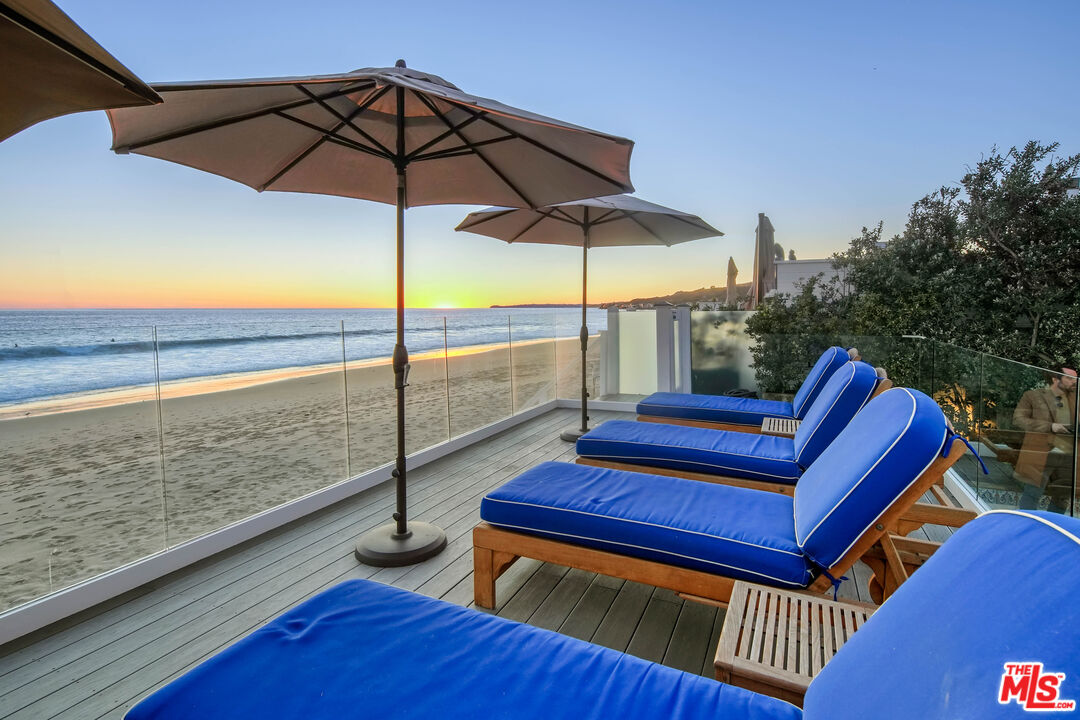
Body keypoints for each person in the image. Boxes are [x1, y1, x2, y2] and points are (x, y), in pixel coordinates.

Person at [1012, 367, 1077, 513]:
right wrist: (1051, 426)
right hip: (1042, 452)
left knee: (1062, 495)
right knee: (1033, 492)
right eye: (1070, 378)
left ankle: (1054, 526)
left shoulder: (1076, 398)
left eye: (1076, 379)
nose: (1074, 382)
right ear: (1055, 379)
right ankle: (1026, 523)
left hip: (1069, 454)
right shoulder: (1033, 396)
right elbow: (1018, 420)